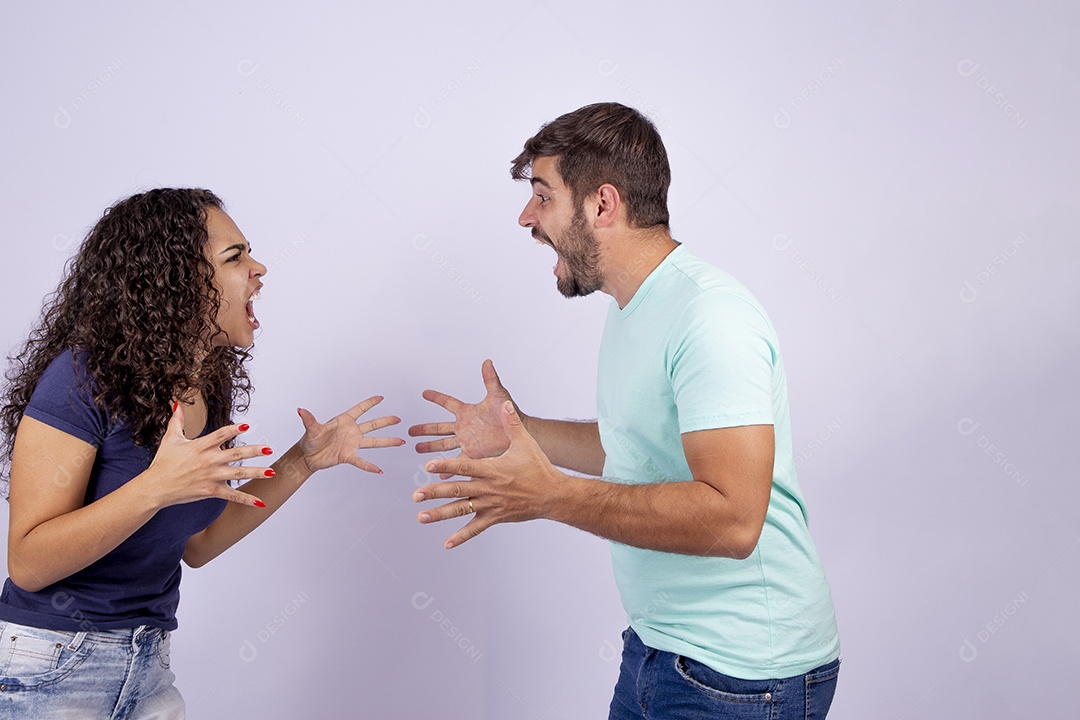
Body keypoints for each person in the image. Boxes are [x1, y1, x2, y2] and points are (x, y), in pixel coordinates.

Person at [409, 103, 841, 718]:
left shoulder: (710, 316)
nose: (527, 217)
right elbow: (638, 446)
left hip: (743, 676)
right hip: (658, 650)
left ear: (603, 204)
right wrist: (520, 433)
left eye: (544, 196)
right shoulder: (635, 305)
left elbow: (733, 520)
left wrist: (550, 495)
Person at [0, 188, 403, 718]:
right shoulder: (82, 378)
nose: (259, 268)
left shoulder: (204, 387)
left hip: (148, 664)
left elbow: (199, 543)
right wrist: (154, 488)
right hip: (54, 664)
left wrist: (302, 460)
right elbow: (28, 563)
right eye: (235, 257)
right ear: (174, 280)